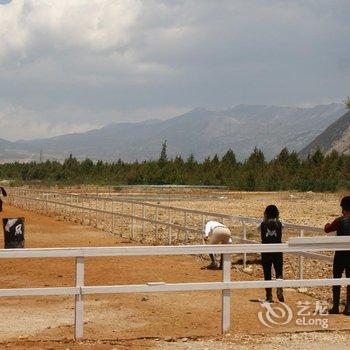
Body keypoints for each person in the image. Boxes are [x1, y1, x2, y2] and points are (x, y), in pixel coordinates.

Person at [324, 196, 350, 315]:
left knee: (336, 279)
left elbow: (327, 229)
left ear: (343, 208)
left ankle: (335, 306)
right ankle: (348, 308)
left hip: (340, 255)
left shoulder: (339, 220)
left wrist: (327, 224)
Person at [259, 205, 284, 303]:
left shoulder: (262, 224)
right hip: (277, 251)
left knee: (267, 273)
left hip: (266, 251)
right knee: (279, 271)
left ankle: (269, 295)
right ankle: (279, 288)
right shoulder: (279, 224)